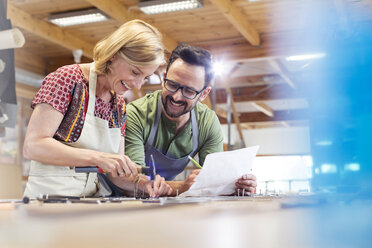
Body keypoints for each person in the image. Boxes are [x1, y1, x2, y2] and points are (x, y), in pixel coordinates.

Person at [23, 19, 172, 198]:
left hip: (89, 202)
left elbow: (115, 174)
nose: (138, 85)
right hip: (47, 202)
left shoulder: (118, 105)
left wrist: (144, 184)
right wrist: (98, 158)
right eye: (135, 72)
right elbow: (33, 146)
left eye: (146, 78)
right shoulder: (67, 79)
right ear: (113, 55)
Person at [125, 43, 257, 195]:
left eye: (188, 90)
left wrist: (236, 186)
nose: (176, 97)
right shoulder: (135, 114)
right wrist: (181, 187)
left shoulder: (207, 122)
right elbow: (133, 181)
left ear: (204, 94)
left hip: (162, 200)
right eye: (172, 85)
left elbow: (214, 181)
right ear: (163, 79)